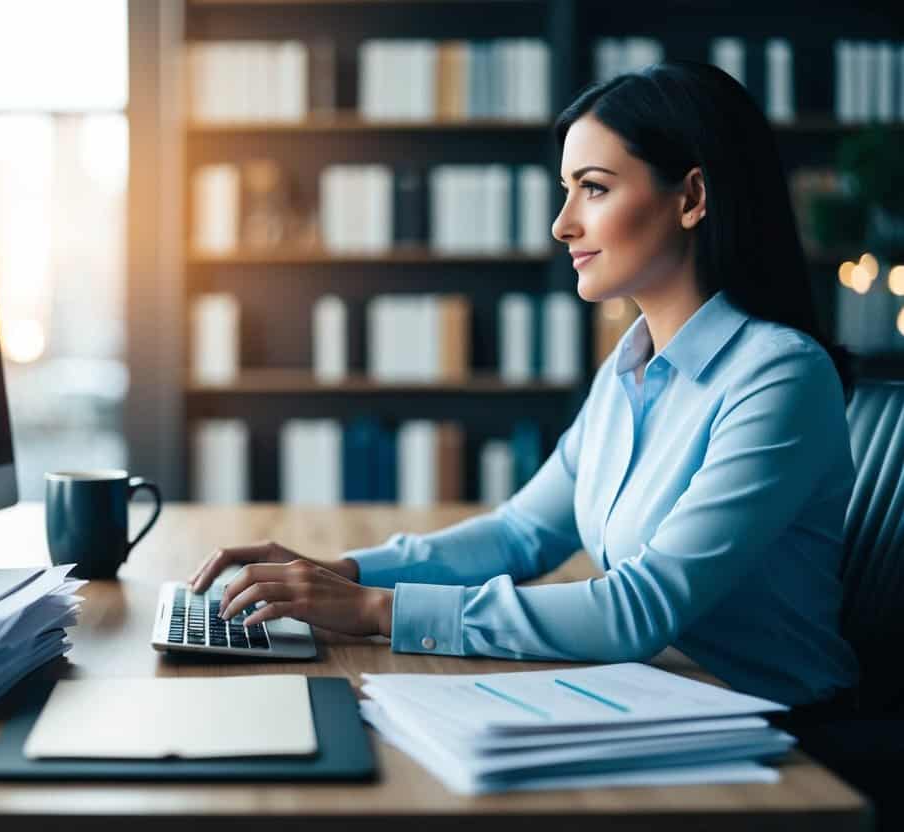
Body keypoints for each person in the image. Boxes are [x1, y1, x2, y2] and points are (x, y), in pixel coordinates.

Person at [189, 61, 859, 707]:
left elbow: (641, 610)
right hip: (662, 696)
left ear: (690, 198)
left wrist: (372, 610)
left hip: (781, 736)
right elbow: (518, 535)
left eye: (592, 187)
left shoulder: (778, 377)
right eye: (565, 189)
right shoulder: (629, 368)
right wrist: (343, 573)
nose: (561, 223)